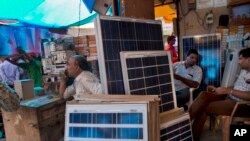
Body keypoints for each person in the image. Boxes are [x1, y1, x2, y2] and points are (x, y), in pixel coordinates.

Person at [189, 48, 250, 141]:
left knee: (205, 107)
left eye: (241, 59)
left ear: (249, 59)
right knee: (204, 94)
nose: (238, 61)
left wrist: (229, 91)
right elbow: (236, 87)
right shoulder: (244, 71)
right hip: (231, 97)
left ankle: (190, 132)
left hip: (242, 105)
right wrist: (221, 90)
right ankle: (187, 122)